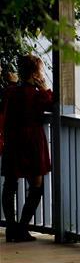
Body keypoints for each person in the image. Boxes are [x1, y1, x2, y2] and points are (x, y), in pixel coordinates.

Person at [1, 55, 53, 243]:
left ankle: (10, 228)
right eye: (40, 70)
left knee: (10, 184)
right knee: (36, 184)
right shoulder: (37, 95)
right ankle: (22, 228)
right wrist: (45, 87)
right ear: (34, 73)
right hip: (32, 142)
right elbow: (51, 104)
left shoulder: (10, 92)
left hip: (13, 140)